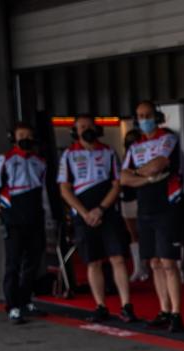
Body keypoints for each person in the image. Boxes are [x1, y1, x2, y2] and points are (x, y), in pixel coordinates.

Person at [58, 115, 137, 323]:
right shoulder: (68, 155)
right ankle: (100, 306)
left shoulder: (108, 152)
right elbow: (64, 189)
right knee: (93, 262)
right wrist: (85, 213)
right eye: (81, 127)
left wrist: (101, 209)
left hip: (108, 212)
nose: (86, 129)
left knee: (118, 258)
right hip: (83, 215)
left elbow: (117, 183)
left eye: (89, 126)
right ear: (75, 131)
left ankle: (126, 305)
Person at [120, 100, 184, 333]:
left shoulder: (167, 138)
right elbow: (124, 177)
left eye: (148, 114)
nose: (144, 119)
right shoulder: (135, 146)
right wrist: (145, 177)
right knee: (155, 262)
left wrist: (141, 172)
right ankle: (164, 309)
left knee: (168, 262)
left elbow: (160, 164)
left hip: (167, 206)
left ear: (156, 116)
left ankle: (177, 313)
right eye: (140, 115)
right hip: (144, 208)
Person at [0, 122, 47, 324]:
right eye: (21, 134)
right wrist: (0, 210)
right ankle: (12, 306)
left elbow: (45, 191)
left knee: (32, 263)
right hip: (13, 220)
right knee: (12, 264)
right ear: (13, 137)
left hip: (35, 218)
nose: (25, 138)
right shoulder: (3, 160)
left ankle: (25, 300)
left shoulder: (40, 161)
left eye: (29, 135)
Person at [120, 128, 150, 282]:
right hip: (127, 198)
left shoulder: (144, 156)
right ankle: (139, 268)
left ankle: (146, 266)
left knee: (144, 232)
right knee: (133, 235)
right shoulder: (125, 158)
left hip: (141, 197)